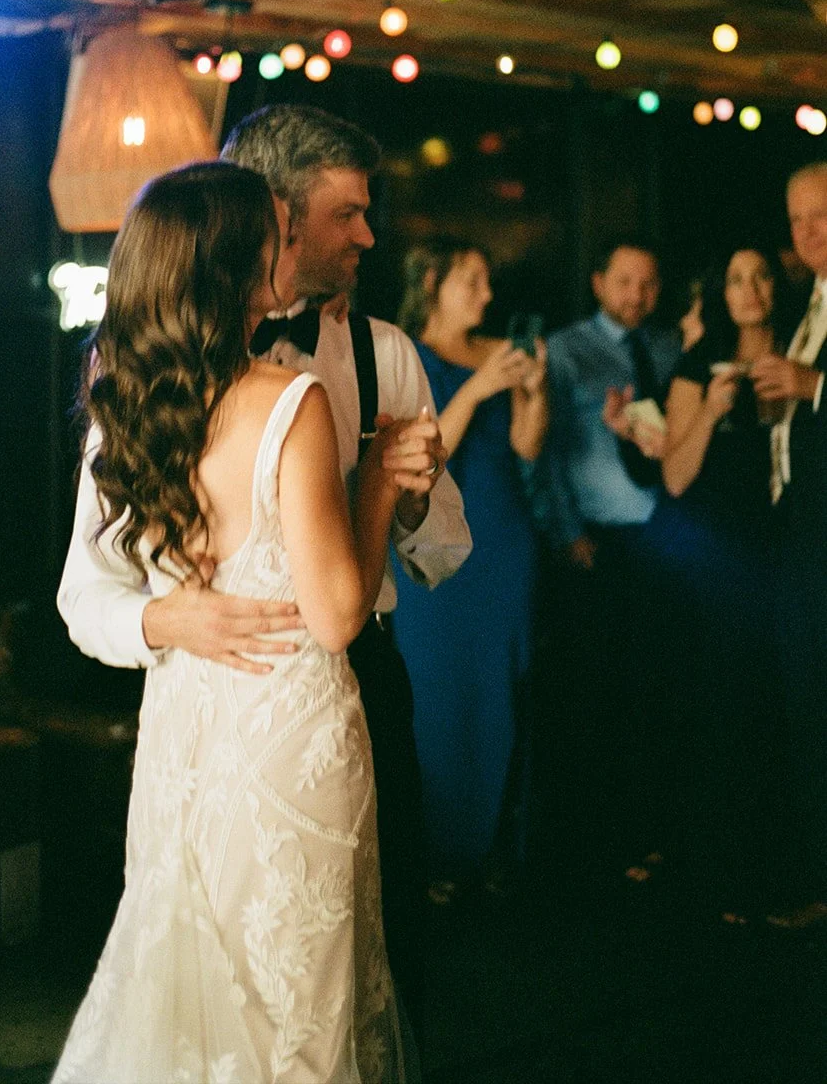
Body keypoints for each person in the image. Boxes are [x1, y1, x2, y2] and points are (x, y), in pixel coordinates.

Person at [58, 105, 471, 1046]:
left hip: (343, 690)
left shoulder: (380, 354)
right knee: (261, 992)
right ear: (270, 231)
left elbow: (441, 547)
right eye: (344, 215)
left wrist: (407, 496)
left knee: (361, 952)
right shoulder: (263, 395)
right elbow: (86, 591)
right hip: (231, 712)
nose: (368, 235)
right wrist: (167, 622)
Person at [392, 240, 548, 895]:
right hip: (435, 545)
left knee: (503, 690)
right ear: (432, 283)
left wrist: (532, 392)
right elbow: (421, 458)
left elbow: (525, 447)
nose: (486, 295)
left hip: (506, 536)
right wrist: (480, 388)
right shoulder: (403, 355)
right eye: (471, 281)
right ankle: (438, 857)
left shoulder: (495, 352)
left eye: (487, 281)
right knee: (439, 696)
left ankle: (495, 852)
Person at [645, 247, 784, 914]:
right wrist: (711, 407)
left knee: (777, 704)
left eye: (759, 275)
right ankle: (714, 862)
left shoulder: (797, 355)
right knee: (719, 702)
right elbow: (672, 477)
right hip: (715, 559)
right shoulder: (698, 365)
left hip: (782, 549)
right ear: (718, 293)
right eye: (732, 278)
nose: (749, 289)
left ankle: (773, 858)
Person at [539, 240, 680, 878]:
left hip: (661, 538)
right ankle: (593, 838)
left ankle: (649, 829)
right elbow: (546, 452)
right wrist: (568, 533)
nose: (636, 296)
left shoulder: (672, 347)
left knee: (655, 685)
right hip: (593, 536)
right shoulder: (566, 350)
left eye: (648, 284)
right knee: (594, 688)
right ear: (598, 282)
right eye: (624, 281)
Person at [751, 163, 827, 928]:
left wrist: (811, 389)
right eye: (797, 218)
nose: (807, 233)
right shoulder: (812, 302)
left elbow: (814, 390)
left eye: (821, 216)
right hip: (800, 529)